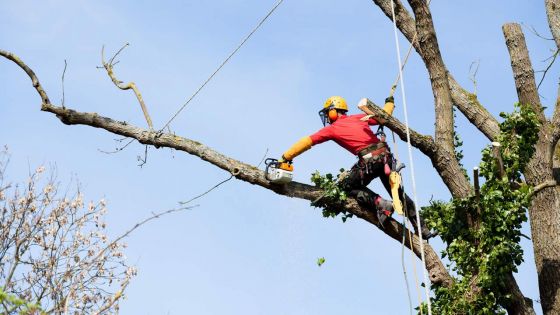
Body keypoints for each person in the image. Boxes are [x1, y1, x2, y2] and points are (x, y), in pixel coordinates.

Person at [280, 96, 433, 239]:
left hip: (370, 161)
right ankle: (422, 227)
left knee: (346, 186)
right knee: (398, 194)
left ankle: (380, 203)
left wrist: (286, 156)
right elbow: (385, 116)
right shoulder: (359, 117)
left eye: (328, 113)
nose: (327, 117)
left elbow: (308, 141)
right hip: (385, 158)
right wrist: (390, 102)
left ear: (334, 111)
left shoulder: (332, 129)